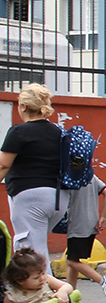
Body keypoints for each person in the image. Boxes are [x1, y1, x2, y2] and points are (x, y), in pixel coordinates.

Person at [0, 83, 64, 255]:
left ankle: (44, 282)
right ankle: (43, 281)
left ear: (23, 106)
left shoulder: (19, 131)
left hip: (29, 196)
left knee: (31, 252)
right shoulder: (58, 131)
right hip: (58, 198)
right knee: (37, 244)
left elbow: (3, 165)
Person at [64, 174, 106, 303]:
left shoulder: (69, 177)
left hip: (77, 223)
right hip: (91, 223)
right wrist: (103, 217)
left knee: (71, 260)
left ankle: (104, 281)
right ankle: (71, 296)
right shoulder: (90, 175)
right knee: (72, 259)